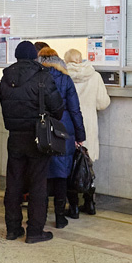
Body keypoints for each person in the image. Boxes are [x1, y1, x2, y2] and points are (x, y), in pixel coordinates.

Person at [0, 41, 64, 242]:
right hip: (38, 137)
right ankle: (35, 231)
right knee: (37, 184)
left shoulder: (5, 78)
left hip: (15, 136)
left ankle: (12, 228)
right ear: (35, 56)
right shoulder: (43, 77)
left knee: (14, 182)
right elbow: (58, 109)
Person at [37, 47, 85, 228]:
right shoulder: (65, 80)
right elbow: (74, 109)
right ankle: (59, 217)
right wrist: (80, 135)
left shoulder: (36, 78)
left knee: (42, 174)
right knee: (61, 175)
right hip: (63, 131)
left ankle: (39, 216)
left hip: (41, 130)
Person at [64, 47, 110, 215]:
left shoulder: (64, 75)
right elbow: (102, 103)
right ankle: (90, 204)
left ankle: (74, 207)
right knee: (87, 165)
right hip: (89, 126)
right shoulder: (94, 76)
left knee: (71, 166)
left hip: (70, 125)